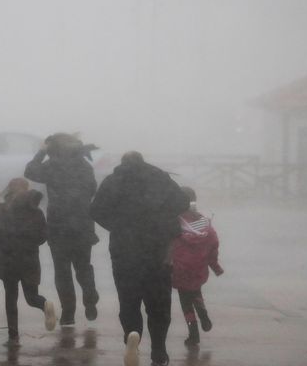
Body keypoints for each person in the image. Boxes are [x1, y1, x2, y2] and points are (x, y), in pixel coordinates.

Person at [90, 151, 189, 366]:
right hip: (157, 250)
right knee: (159, 304)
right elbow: (183, 202)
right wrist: (161, 223)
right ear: (143, 161)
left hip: (124, 250)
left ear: (123, 163)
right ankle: (159, 350)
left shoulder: (113, 181)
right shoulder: (160, 178)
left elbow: (95, 210)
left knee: (129, 300)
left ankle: (132, 336)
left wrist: (118, 226)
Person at [24, 133, 99, 325]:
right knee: (84, 266)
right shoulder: (84, 166)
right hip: (82, 224)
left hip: (59, 225)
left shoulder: (52, 166)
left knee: (62, 271)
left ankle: (68, 313)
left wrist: (41, 152)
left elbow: (30, 171)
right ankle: (90, 297)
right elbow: (92, 189)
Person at [0, 178, 56, 346]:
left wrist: (6, 239)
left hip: (8, 259)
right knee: (31, 297)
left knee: (11, 298)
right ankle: (44, 304)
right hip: (29, 260)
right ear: (27, 190)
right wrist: (29, 242)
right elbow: (43, 236)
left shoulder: (1, 209)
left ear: (9, 190)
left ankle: (13, 336)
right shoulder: (36, 211)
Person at [172, 186, 223, 347]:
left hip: (180, 269)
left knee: (185, 302)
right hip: (198, 268)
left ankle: (193, 334)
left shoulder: (175, 221)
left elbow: (166, 244)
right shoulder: (204, 222)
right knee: (195, 292)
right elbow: (213, 244)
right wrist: (215, 267)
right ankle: (203, 314)